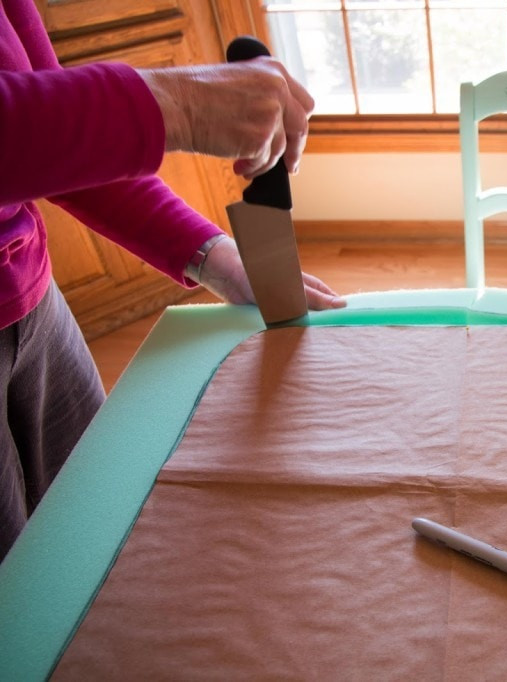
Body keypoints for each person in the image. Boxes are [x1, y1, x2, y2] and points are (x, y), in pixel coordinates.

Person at [0, 0, 345, 560]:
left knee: (95, 514)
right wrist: (174, 105)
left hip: (34, 299)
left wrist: (215, 256)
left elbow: (55, 137)